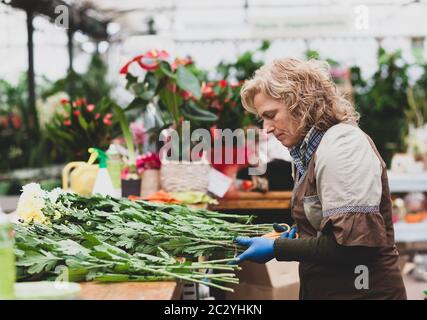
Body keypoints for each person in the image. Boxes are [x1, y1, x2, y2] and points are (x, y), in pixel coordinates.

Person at [236, 58, 407, 300]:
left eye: (271, 115)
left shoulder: (343, 147)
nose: (267, 128)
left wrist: (278, 248)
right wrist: (298, 233)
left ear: (298, 102)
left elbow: (354, 245)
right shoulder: (310, 151)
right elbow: (330, 225)